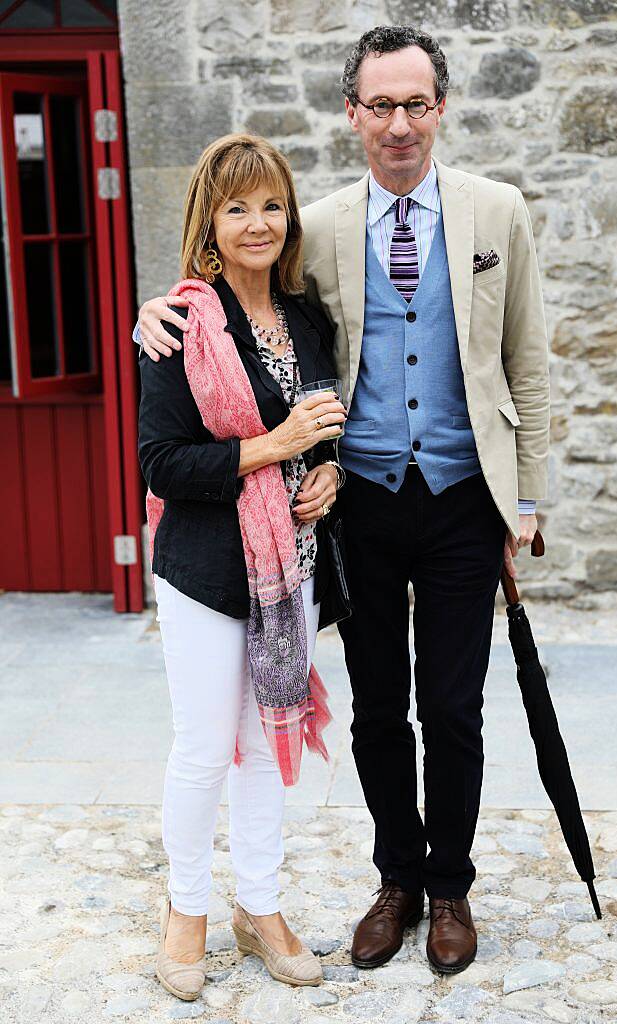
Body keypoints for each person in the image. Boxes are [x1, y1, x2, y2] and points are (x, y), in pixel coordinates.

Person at [136, 25, 550, 976]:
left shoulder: (498, 212)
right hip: (355, 507)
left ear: (440, 107)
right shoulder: (313, 225)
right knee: (375, 709)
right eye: (379, 104)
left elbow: (526, 362)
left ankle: (449, 887)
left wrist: (525, 499)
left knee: (452, 708)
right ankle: (394, 880)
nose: (398, 122)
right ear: (352, 113)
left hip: (460, 502)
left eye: (415, 102)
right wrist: (152, 311)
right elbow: (229, 307)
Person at [137, 133, 348, 1000]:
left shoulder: (307, 317)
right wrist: (275, 447)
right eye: (236, 208)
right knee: (200, 750)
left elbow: (330, 428)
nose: (256, 223)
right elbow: (161, 463)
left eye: (269, 204)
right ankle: (185, 910)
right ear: (209, 223)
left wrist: (328, 471)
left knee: (266, 748)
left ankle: (258, 907)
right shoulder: (180, 322)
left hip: (287, 567)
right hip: (203, 570)